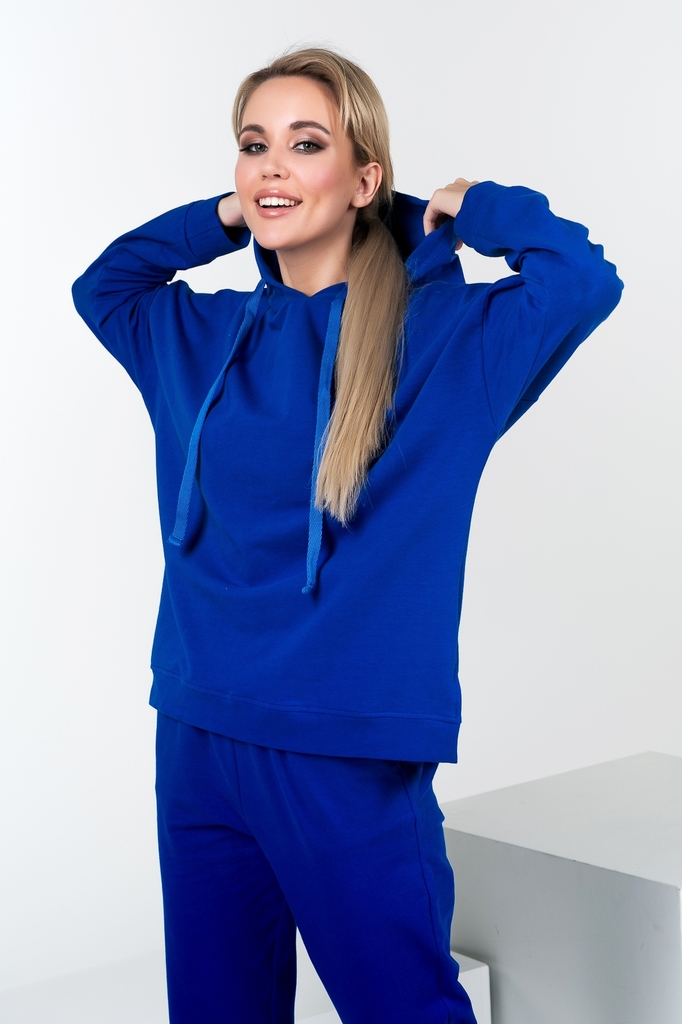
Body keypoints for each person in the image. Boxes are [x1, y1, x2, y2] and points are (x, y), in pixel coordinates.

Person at [72, 46, 622, 1024]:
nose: (271, 166)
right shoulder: (198, 337)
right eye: (254, 146)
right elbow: (103, 286)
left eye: (306, 144)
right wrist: (228, 215)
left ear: (365, 179)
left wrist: (475, 207)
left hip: (347, 747)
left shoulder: (451, 339)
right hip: (197, 732)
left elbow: (580, 280)